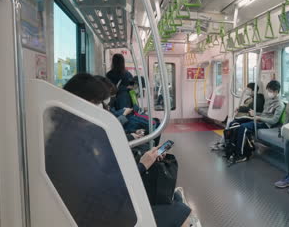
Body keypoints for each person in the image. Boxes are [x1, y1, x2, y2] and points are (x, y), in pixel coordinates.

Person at [56, 73, 192, 227]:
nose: (103, 109)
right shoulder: (73, 145)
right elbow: (105, 187)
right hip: (99, 215)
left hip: (103, 205)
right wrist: (142, 166)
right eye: (99, 103)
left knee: (174, 199)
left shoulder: (73, 135)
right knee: (181, 212)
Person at [232, 80, 285, 163]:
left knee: (244, 127)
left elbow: (274, 120)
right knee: (236, 122)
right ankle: (233, 148)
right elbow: (264, 114)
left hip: (266, 124)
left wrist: (259, 118)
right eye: (268, 91)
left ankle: (241, 155)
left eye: (270, 91)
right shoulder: (268, 101)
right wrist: (255, 113)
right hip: (260, 120)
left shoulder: (280, 105)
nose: (268, 93)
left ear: (276, 92)